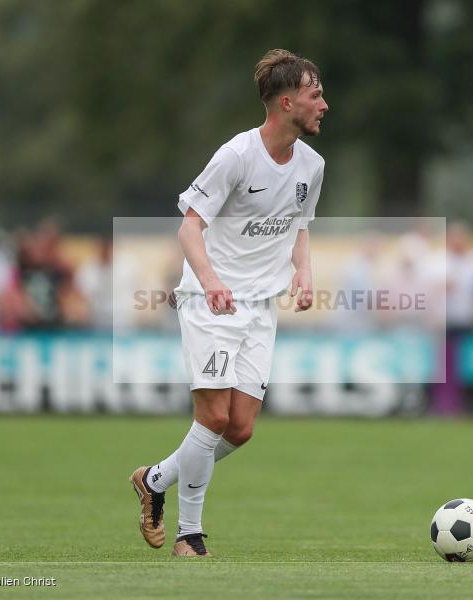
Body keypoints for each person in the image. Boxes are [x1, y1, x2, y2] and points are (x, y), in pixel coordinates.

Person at [130, 49, 328, 557]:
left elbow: (299, 227)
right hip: (209, 302)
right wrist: (211, 280)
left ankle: (154, 480)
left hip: (261, 308)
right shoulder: (236, 155)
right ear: (287, 103)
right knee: (213, 417)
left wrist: (303, 272)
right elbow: (189, 225)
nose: (323, 104)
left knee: (241, 428)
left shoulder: (312, 164)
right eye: (314, 94)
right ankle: (188, 536)